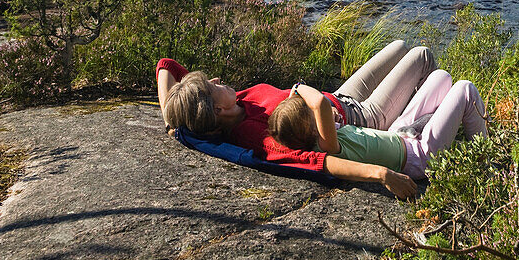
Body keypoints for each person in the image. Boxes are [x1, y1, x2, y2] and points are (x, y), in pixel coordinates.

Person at [156, 40, 436, 198]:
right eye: (213, 86)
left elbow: (166, 66)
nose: (218, 80)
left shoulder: (237, 99)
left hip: (340, 95)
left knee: (400, 45)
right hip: (361, 118)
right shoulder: (255, 138)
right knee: (422, 56)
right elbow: (315, 162)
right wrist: (380, 174)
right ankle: (421, 130)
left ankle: (419, 117)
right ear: (216, 111)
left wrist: (172, 121)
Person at [267, 69, 487, 186]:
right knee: (465, 89)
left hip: (396, 133)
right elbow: (321, 103)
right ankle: (487, 158)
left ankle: (448, 125)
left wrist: (294, 97)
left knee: (441, 77)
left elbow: (318, 109)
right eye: (309, 111)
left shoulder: (322, 135)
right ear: (311, 127)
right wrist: (297, 87)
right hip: (418, 157)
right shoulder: (326, 145)